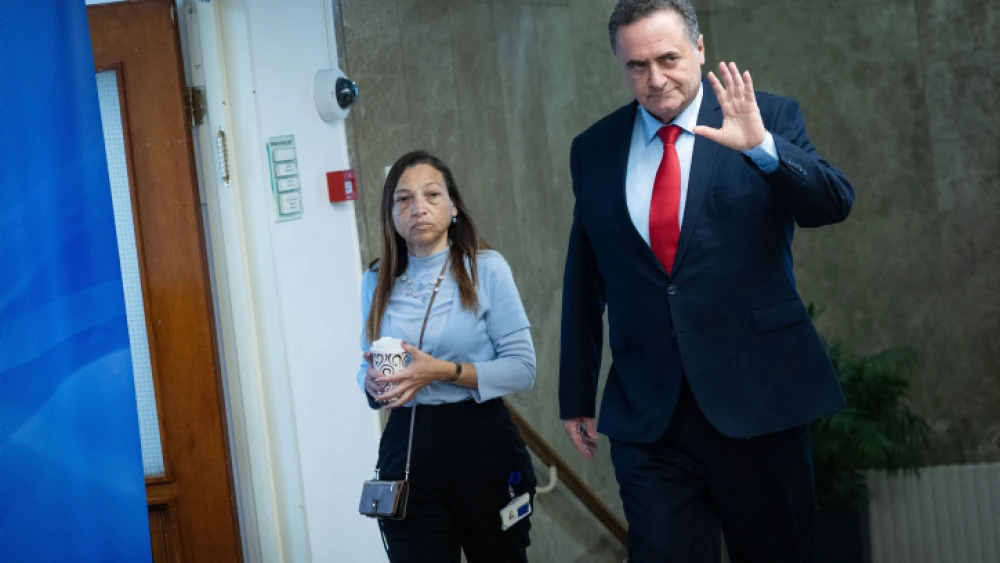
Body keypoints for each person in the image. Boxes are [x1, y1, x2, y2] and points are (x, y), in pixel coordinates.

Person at [558, 1, 855, 562]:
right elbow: (585, 270)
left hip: (759, 400)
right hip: (650, 414)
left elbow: (832, 203)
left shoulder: (767, 116)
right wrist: (576, 388)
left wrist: (763, 149)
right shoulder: (593, 149)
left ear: (699, 49)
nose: (655, 79)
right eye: (637, 66)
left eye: (668, 58)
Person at [357, 151, 538, 563]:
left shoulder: (486, 269)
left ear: (453, 206)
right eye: (403, 199)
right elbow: (362, 364)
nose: (418, 207)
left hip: (480, 439)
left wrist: (442, 372)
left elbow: (523, 369)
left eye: (432, 195)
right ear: (390, 213)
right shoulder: (376, 278)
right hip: (407, 443)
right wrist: (368, 385)